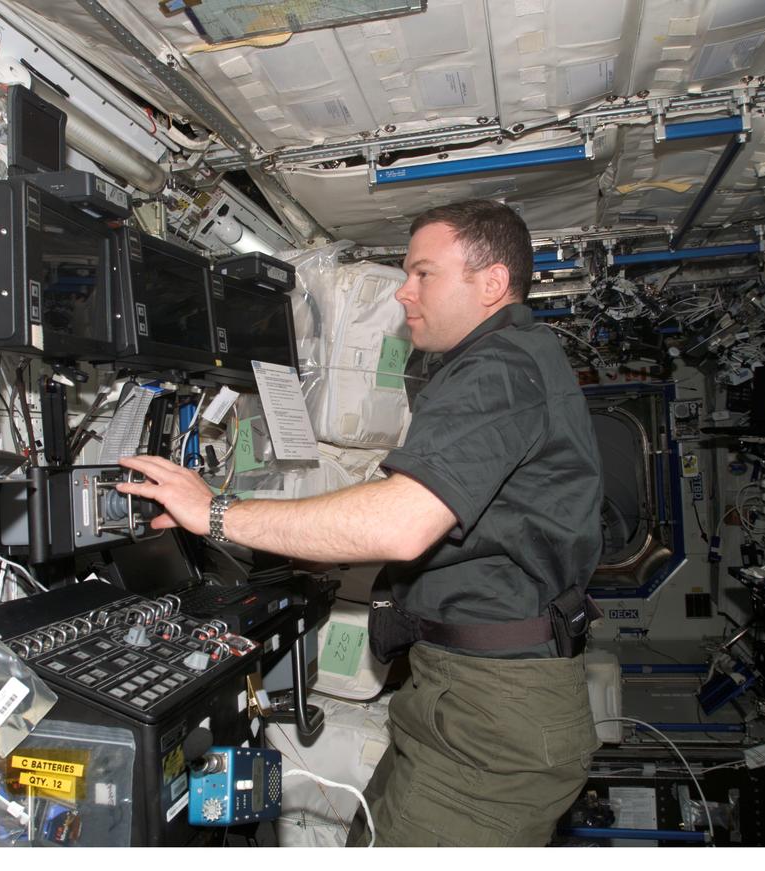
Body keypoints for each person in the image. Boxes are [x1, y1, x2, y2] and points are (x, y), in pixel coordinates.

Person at [119, 199, 604, 846]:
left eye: (423, 273)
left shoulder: (500, 369)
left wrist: (215, 511)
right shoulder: (504, 360)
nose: (404, 292)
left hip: (494, 711)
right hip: (466, 687)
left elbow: (403, 523)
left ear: (491, 283)